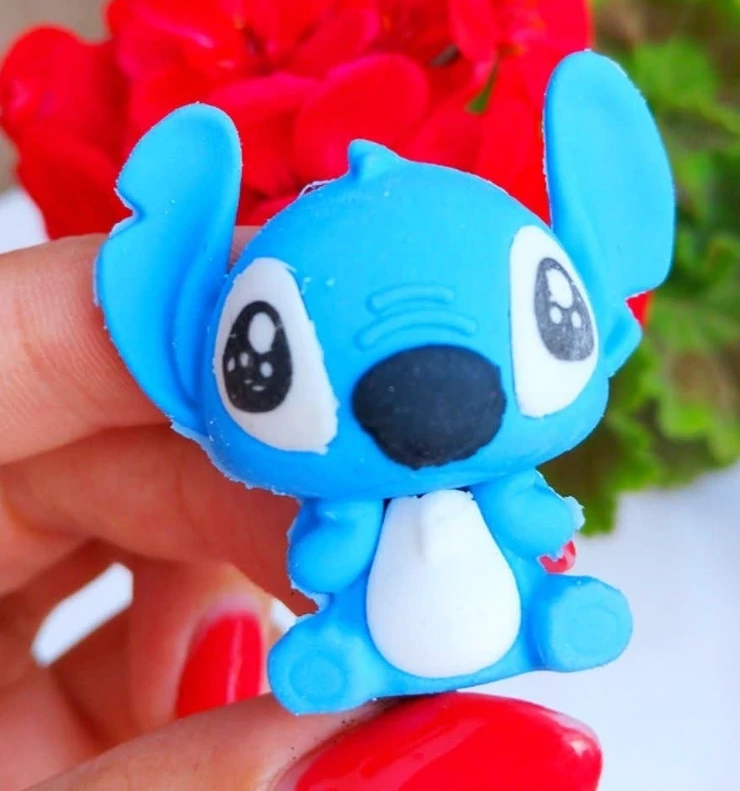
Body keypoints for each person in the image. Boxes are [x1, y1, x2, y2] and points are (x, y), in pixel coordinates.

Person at [0, 235, 600, 790]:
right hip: (381, 642)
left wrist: (541, 518)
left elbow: (538, 526)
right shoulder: (353, 511)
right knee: (332, 649)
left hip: (498, 620)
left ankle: (558, 619)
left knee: (541, 601)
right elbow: (317, 568)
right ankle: (340, 662)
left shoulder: (498, 492)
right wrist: (339, 529)